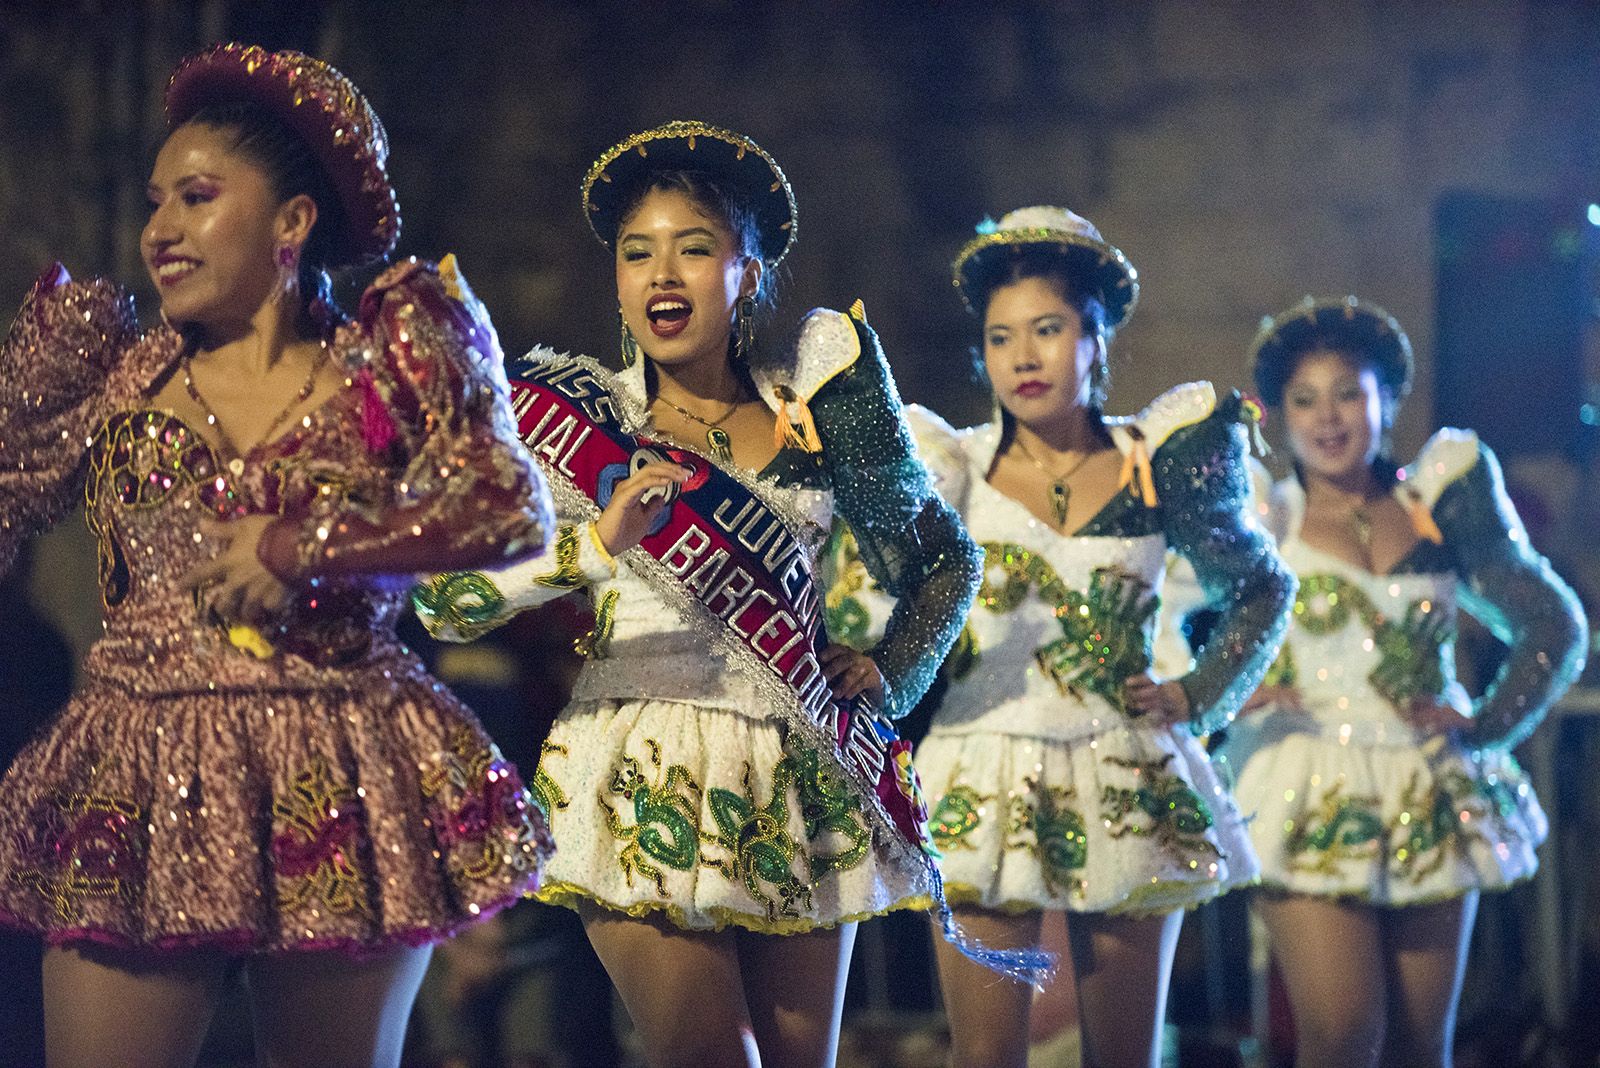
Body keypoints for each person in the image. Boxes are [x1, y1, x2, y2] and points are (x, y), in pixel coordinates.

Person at [0, 43, 555, 1068]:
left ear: (292, 222)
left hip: (342, 762)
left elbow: (508, 508)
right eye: (156, 202)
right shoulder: (108, 373)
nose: (160, 230)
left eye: (198, 198)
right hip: (139, 769)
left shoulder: (394, 358)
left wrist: (308, 545)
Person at [416, 120, 986, 1068]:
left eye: (694, 248)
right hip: (640, 765)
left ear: (748, 272)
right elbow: (445, 603)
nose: (661, 276)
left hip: (800, 772)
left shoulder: (815, 409)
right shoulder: (575, 418)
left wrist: (889, 671)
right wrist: (595, 548)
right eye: (638, 254)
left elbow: (945, 561)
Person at [833, 206, 1292, 1068]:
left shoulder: (1161, 467)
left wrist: (1200, 692)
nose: (1024, 357)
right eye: (1001, 337)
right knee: (984, 1058)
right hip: (981, 770)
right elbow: (870, 601)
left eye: (1048, 330)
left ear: (1096, 336)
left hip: (1129, 772)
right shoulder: (952, 469)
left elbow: (1264, 586)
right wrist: (876, 668)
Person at [1222, 296, 1588, 1068]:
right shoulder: (1265, 520)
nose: (1329, 418)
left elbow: (1553, 623)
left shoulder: (1439, 511)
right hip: (1303, 778)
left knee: (1424, 1047)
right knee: (1342, 1034)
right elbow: (1156, 614)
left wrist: (1488, 723)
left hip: (1428, 786)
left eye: (1349, 393)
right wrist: (1223, 692)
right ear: (1279, 416)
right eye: (1305, 399)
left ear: (1386, 401)